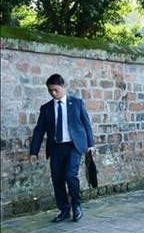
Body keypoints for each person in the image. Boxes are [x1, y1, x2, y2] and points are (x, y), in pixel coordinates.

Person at [30, 74, 95, 223]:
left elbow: (86, 125)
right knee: (57, 179)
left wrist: (90, 146)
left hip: (74, 146)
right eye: (50, 90)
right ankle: (64, 210)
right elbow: (39, 130)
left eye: (56, 90)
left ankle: (77, 205)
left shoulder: (77, 103)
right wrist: (33, 151)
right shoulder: (46, 108)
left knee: (70, 175)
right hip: (56, 148)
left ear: (63, 87)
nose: (53, 93)